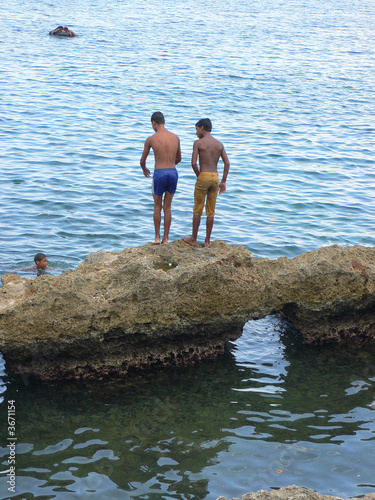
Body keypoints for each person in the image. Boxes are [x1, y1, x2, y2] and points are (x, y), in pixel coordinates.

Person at [183, 118, 230, 248]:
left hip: (203, 175)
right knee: (211, 211)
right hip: (215, 177)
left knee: (198, 209)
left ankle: (193, 239)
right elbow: (227, 163)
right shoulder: (219, 144)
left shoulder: (198, 143)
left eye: (196, 129)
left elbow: (193, 163)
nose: (196, 132)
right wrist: (224, 181)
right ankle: (207, 241)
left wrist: (200, 176)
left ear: (202, 128)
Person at [140, 112, 181, 245]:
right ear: (164, 121)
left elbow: (142, 160)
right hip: (173, 173)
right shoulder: (175, 137)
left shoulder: (151, 139)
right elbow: (179, 158)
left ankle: (157, 238)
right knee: (167, 207)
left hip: (159, 173)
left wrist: (144, 169)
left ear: (153, 123)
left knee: (157, 205)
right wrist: (170, 165)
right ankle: (166, 239)